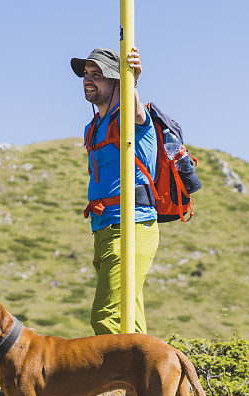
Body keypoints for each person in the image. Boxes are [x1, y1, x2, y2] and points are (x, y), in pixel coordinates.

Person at [70, 47, 159, 335]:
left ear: (116, 82)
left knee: (106, 318)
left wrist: (132, 80)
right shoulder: (92, 127)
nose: (88, 79)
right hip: (105, 227)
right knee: (129, 321)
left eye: (98, 75)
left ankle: (117, 382)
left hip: (130, 226)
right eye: (86, 74)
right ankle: (146, 380)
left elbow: (135, 110)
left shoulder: (130, 119)